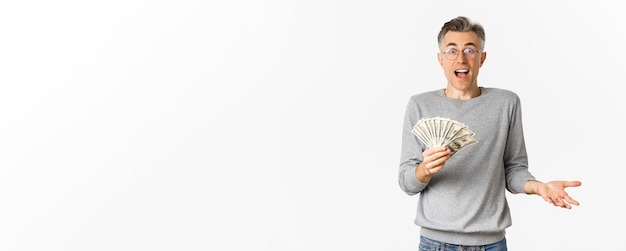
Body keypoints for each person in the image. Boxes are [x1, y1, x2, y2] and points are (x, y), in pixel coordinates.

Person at [398, 16, 582, 250]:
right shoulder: (419, 105)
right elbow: (406, 182)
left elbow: (514, 170)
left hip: (491, 244)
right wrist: (424, 171)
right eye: (452, 51)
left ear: (482, 58)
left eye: (470, 50)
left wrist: (539, 187)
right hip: (436, 243)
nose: (461, 58)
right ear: (441, 59)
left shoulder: (506, 103)